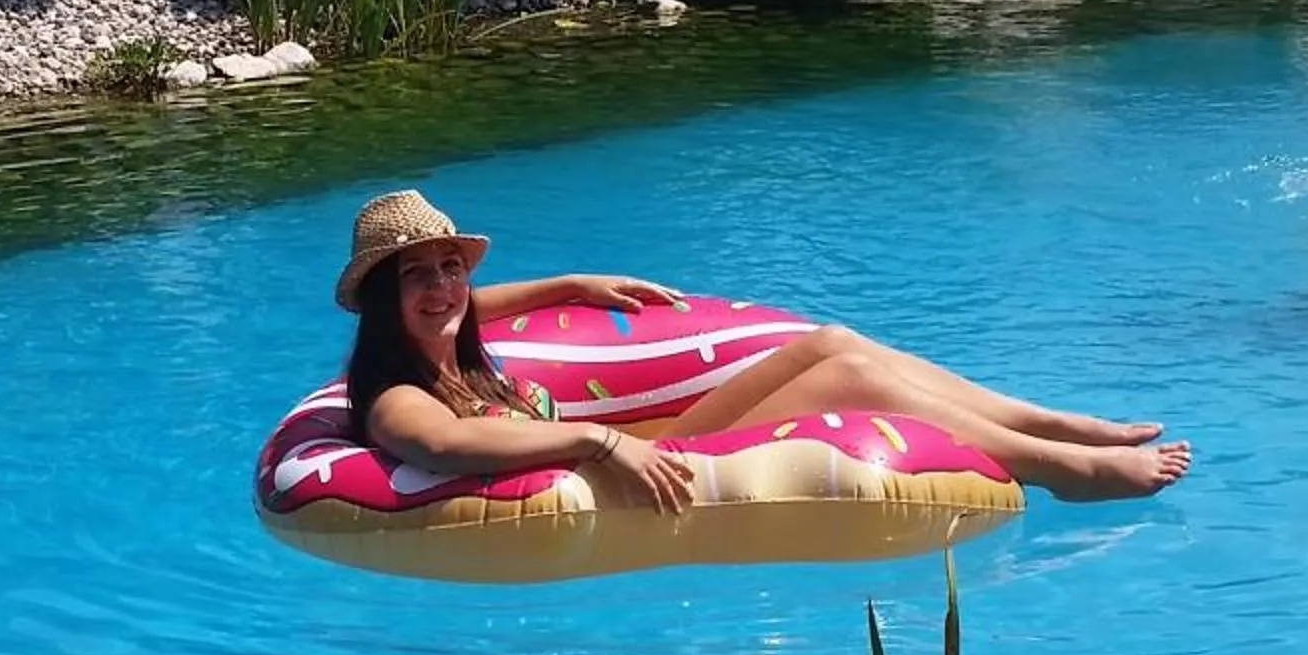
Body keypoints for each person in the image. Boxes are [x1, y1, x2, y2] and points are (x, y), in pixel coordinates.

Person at [334, 188, 1192, 510]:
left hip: (648, 444)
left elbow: (478, 301)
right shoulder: (397, 397)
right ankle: (1059, 470)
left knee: (832, 340)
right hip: (642, 467)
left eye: (452, 267)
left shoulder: (449, 331)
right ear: (382, 298)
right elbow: (445, 445)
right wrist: (600, 438)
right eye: (421, 276)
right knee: (850, 377)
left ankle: (1052, 422)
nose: (445, 287)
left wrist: (573, 285)